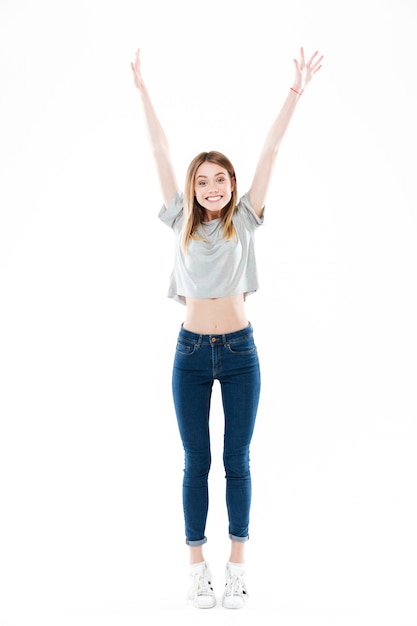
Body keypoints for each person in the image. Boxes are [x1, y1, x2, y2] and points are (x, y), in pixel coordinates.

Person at [131, 46, 323, 609]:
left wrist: (295, 92)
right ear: (192, 188)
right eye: (203, 181)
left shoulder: (246, 218)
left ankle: (237, 565)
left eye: (221, 180)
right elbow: (158, 148)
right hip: (189, 353)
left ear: (233, 186)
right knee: (197, 461)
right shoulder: (177, 220)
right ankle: (197, 566)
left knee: (237, 460)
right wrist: (142, 89)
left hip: (240, 352)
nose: (212, 187)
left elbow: (271, 148)